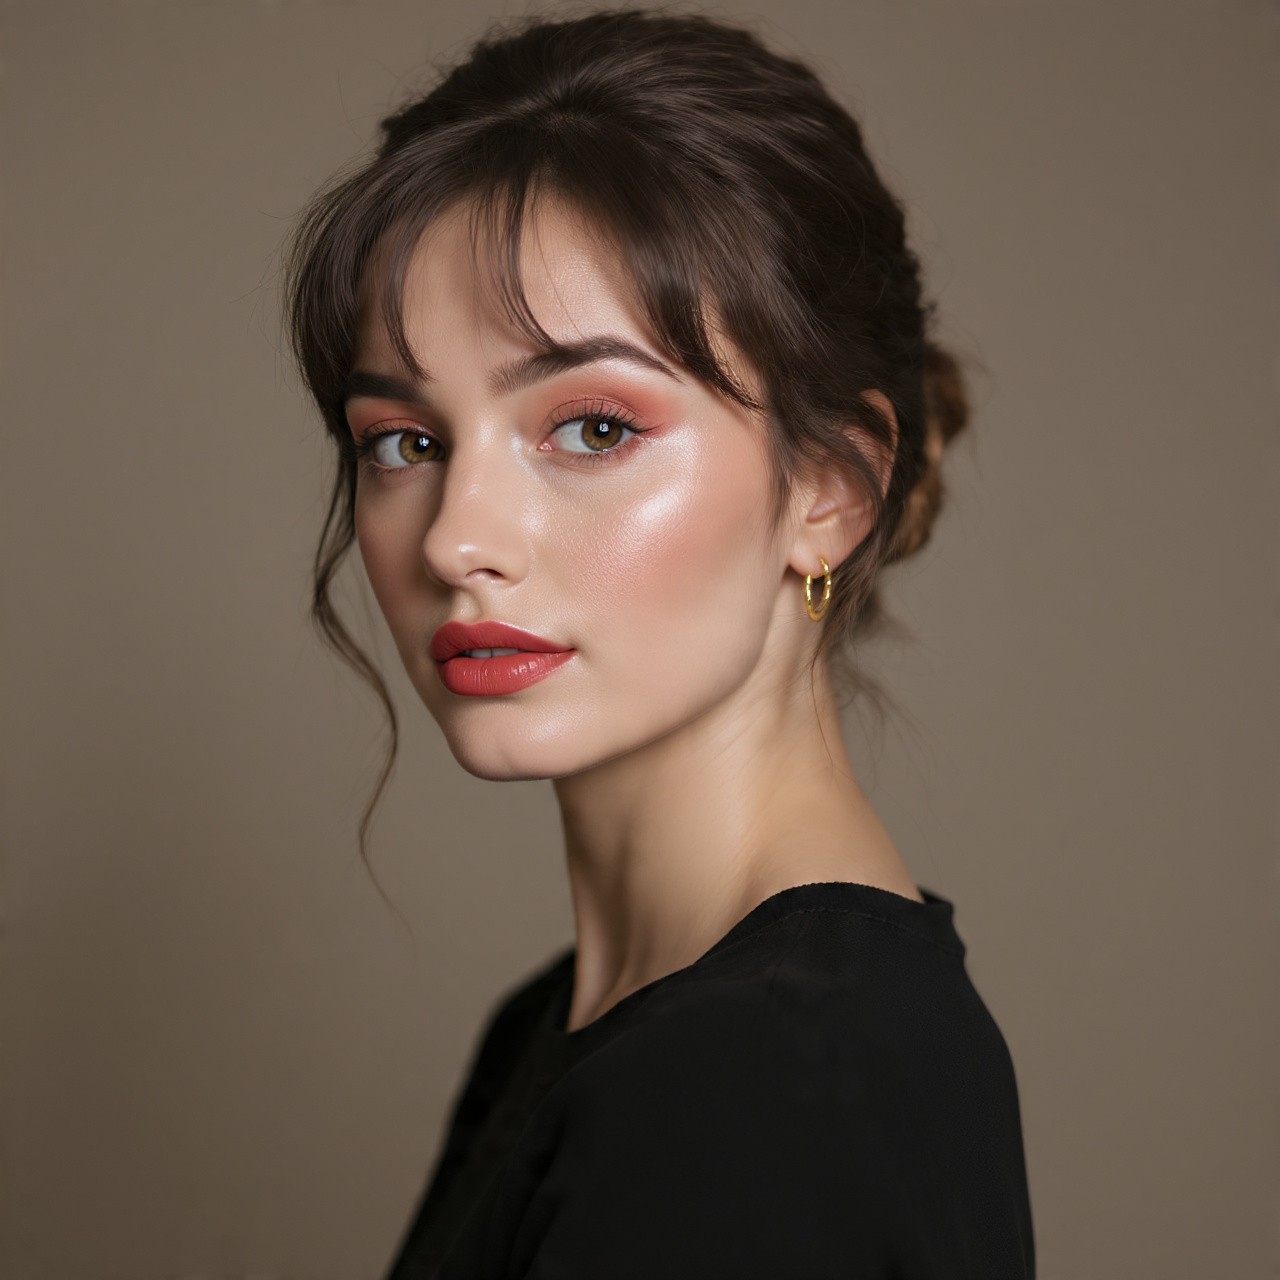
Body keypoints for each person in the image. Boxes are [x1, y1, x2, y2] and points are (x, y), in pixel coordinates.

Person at [283, 8, 1035, 1277]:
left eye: (588, 427)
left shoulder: (753, 1082)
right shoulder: (574, 1027)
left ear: (829, 490)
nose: (457, 537)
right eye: (404, 441)